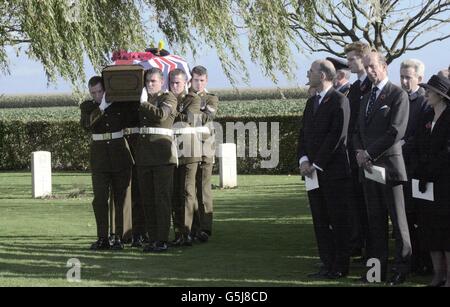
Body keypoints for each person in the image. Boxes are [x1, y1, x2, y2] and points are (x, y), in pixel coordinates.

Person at [353, 51, 411, 285]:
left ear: (384, 66)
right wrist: (360, 153)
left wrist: (369, 153)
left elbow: (396, 131)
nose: (369, 71)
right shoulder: (366, 97)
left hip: (390, 169)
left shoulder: (397, 94)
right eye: (366, 67)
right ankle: (374, 273)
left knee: (399, 224)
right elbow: (357, 130)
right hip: (369, 170)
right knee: (375, 224)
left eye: (372, 66)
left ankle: (402, 270)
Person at [298, 59, 352, 279]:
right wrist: (303, 160)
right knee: (320, 219)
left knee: (337, 220)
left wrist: (316, 164)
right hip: (312, 172)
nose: (307, 74)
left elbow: (337, 136)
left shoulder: (340, 101)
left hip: (333, 173)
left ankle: (340, 266)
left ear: (322, 75)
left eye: (311, 71)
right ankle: (327, 262)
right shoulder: (312, 103)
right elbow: (303, 134)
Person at [80, 76, 132, 250]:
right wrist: (101, 107)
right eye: (93, 93)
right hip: (100, 158)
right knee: (100, 199)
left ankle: (118, 237)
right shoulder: (88, 107)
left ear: (106, 90)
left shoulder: (119, 105)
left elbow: (132, 119)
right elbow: (87, 125)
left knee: (120, 198)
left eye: (100, 92)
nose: (97, 95)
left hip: (119, 155)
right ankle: (102, 237)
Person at [412, 74, 450, 287]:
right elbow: (417, 144)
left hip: (444, 183)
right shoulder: (426, 115)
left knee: (446, 232)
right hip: (425, 184)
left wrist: (429, 172)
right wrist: (419, 169)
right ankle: (437, 275)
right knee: (429, 230)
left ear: (442, 95)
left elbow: (447, 151)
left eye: (430, 90)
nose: (426, 93)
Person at [136, 68, 178, 253]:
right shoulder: (143, 101)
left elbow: (161, 116)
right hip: (145, 157)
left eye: (153, 81)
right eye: (147, 81)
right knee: (148, 199)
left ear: (162, 82)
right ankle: (152, 239)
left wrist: (144, 103)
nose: (150, 84)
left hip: (162, 157)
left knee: (162, 199)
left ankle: (162, 239)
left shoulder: (168, 98)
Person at [399, 59, 432, 275]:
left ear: (419, 79)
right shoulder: (400, 99)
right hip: (400, 167)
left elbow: (422, 136)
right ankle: (411, 261)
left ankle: (425, 262)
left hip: (417, 167)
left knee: (421, 219)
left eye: (407, 77)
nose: (403, 81)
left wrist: (402, 144)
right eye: (401, 76)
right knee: (407, 219)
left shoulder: (426, 103)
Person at [344, 41, 372, 259]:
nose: (349, 63)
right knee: (357, 203)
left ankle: (371, 249)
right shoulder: (355, 88)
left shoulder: (370, 87)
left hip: (368, 154)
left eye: (352, 59)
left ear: (364, 59)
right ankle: (360, 243)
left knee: (370, 205)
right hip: (354, 153)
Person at [169, 69, 202, 247]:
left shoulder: (193, 99)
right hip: (172, 150)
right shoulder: (165, 99)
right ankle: (180, 231)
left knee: (187, 191)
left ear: (185, 83)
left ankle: (187, 232)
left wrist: (169, 110)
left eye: (178, 83)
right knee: (175, 193)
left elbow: (188, 118)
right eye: (172, 83)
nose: (175, 86)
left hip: (189, 150)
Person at [190, 66, 219, 242]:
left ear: (206, 80)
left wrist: (192, 110)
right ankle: (192, 226)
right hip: (187, 146)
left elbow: (207, 117)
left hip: (205, 146)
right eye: (195, 80)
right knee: (189, 189)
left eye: (201, 80)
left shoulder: (212, 98)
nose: (198, 83)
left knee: (203, 188)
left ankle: (205, 228)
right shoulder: (187, 97)